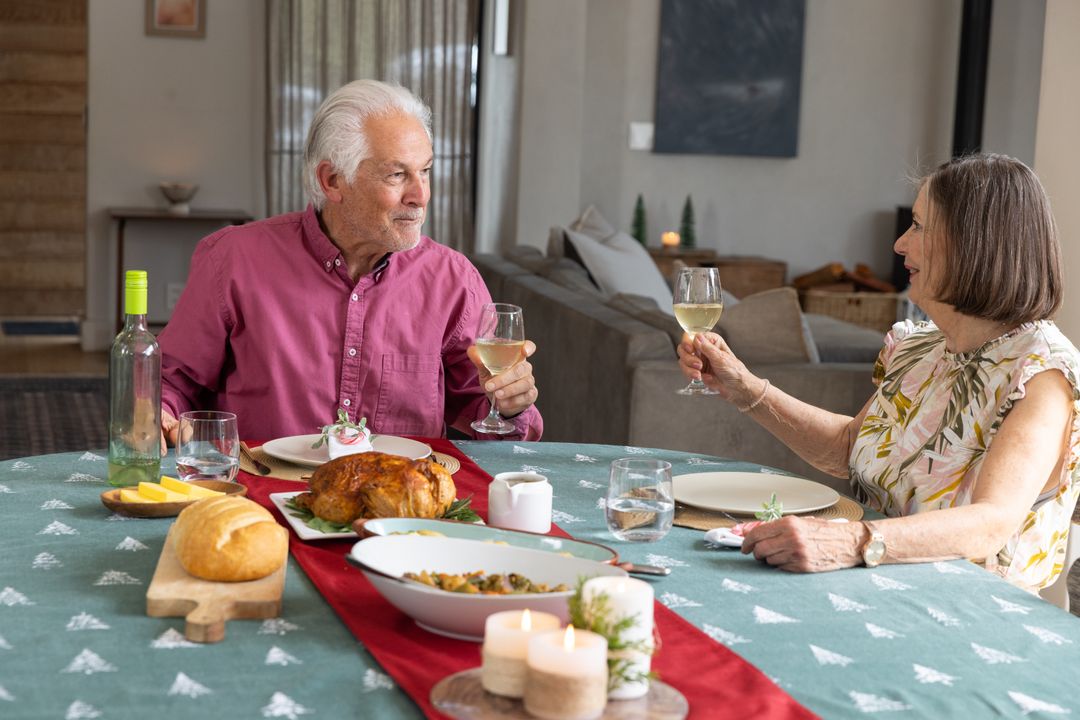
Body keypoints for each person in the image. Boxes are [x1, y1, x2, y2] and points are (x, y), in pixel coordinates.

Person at [679, 153, 1079, 593]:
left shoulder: (1042, 371)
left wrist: (849, 542)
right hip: (876, 584)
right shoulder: (919, 348)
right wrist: (744, 387)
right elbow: (850, 447)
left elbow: (991, 522)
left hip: (970, 606)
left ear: (973, 243)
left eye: (919, 226)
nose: (900, 244)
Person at [158, 80, 542, 444]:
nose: (420, 195)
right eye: (397, 175)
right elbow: (172, 382)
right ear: (333, 181)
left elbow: (488, 419)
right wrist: (157, 415)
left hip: (398, 491)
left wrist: (509, 406)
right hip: (263, 486)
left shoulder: (452, 280)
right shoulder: (233, 259)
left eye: (424, 171)